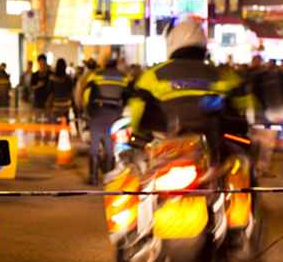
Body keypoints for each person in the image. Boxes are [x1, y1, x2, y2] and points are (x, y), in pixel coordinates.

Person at [128, 19, 251, 159]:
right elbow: (245, 106)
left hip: (168, 151)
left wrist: (138, 134)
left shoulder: (152, 76)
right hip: (213, 151)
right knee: (244, 164)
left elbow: (136, 112)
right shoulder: (224, 75)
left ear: (171, 43)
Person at [83, 58, 128, 185]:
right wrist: (120, 112)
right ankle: (108, 176)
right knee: (110, 146)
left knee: (94, 145)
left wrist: (89, 113)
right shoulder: (124, 77)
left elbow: (87, 94)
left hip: (98, 113)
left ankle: (93, 177)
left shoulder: (97, 75)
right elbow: (128, 95)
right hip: (114, 115)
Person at [30, 55, 52, 121]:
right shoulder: (35, 75)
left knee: (48, 120)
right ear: (38, 62)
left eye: (43, 62)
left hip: (48, 100)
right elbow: (31, 87)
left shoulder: (50, 74)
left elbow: (53, 89)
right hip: (38, 100)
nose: (42, 63)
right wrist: (38, 85)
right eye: (40, 62)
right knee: (38, 119)